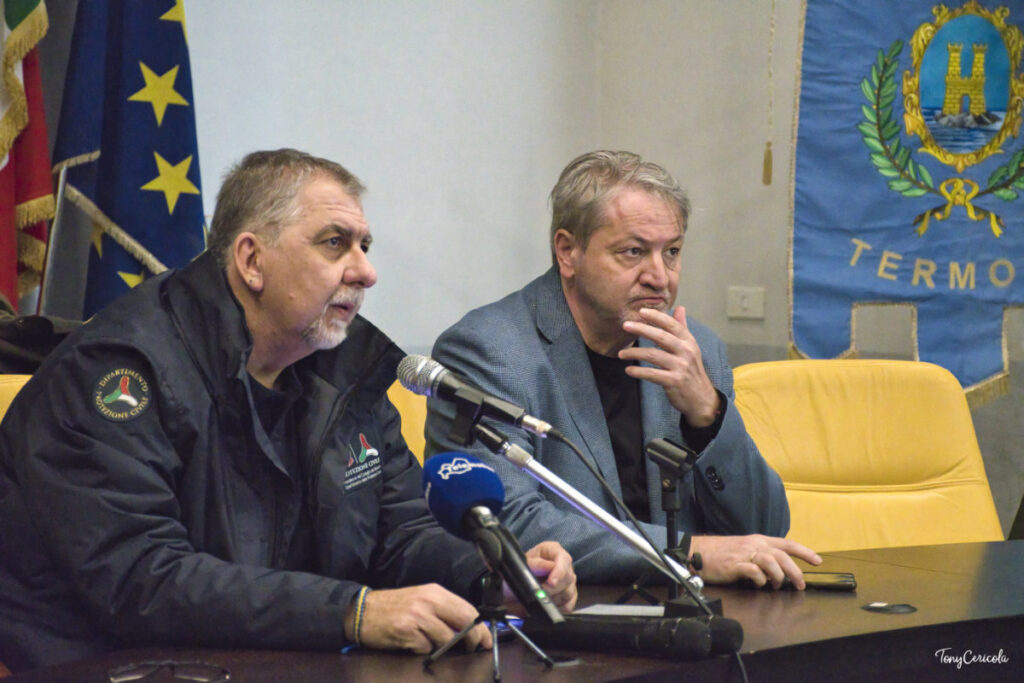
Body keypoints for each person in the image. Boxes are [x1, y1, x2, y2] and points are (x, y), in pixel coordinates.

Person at [0, 149, 576, 672]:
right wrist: (351, 612)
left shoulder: (349, 369)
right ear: (252, 260)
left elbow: (398, 533)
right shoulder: (119, 372)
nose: (366, 272)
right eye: (335, 243)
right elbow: (141, 579)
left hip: (280, 660)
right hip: (103, 665)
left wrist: (492, 576)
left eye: (365, 247)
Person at [425, 150, 820, 588]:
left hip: (694, 609)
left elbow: (764, 528)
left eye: (672, 252)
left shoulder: (695, 351)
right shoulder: (488, 350)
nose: (660, 277)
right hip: (567, 609)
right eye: (634, 252)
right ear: (567, 251)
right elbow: (505, 520)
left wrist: (707, 414)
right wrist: (686, 554)